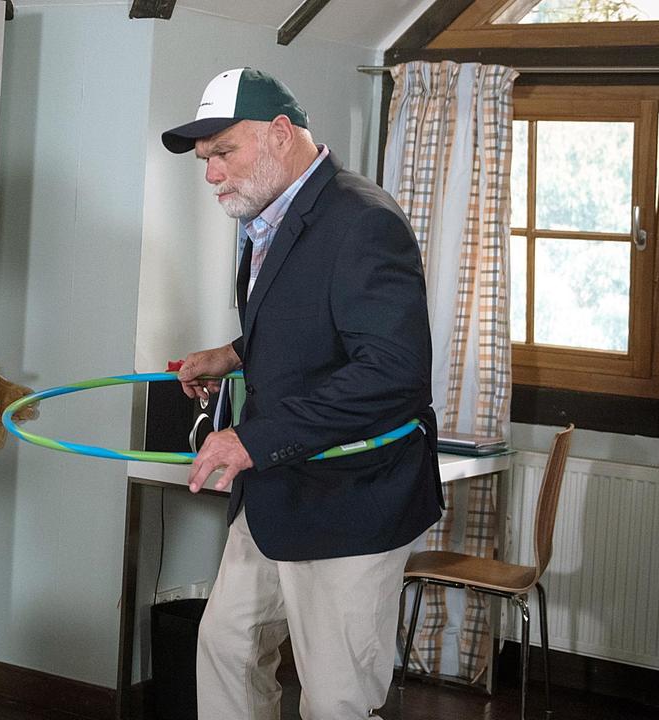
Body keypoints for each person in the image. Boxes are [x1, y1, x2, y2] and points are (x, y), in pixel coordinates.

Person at [163, 68, 444, 719]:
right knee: (227, 648)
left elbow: (393, 374)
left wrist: (250, 438)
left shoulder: (363, 222)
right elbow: (312, 325)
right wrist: (232, 354)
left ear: (280, 134)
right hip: (274, 495)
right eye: (206, 160)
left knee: (336, 696)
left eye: (224, 153)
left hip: (350, 499)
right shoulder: (271, 214)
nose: (210, 175)